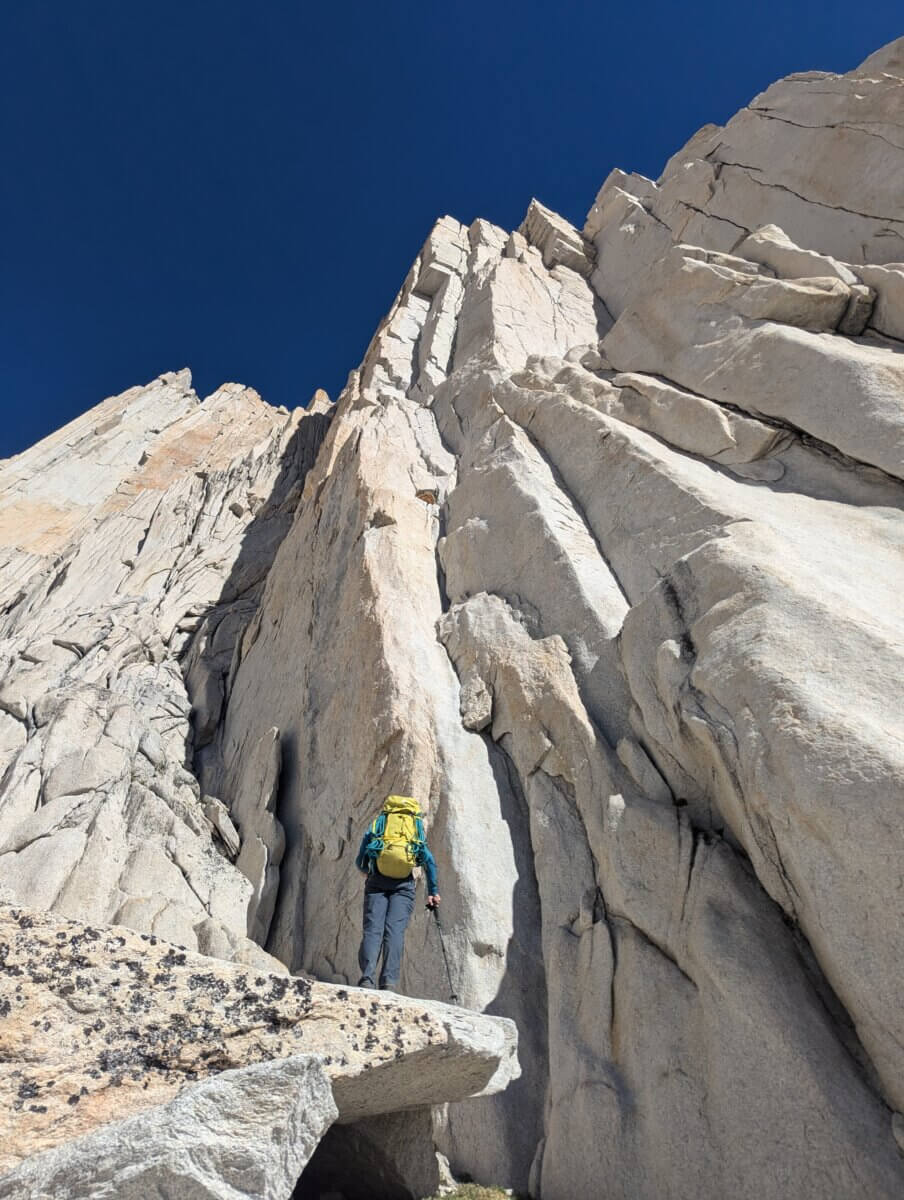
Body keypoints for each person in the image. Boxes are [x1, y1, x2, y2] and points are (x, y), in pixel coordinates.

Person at [354, 794, 440, 991]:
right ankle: (389, 983)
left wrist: (365, 869)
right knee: (395, 932)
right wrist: (433, 891)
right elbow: (428, 860)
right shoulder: (414, 828)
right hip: (403, 885)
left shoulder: (380, 823)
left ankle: (367, 978)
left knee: (373, 930)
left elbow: (362, 854)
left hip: (376, 881)